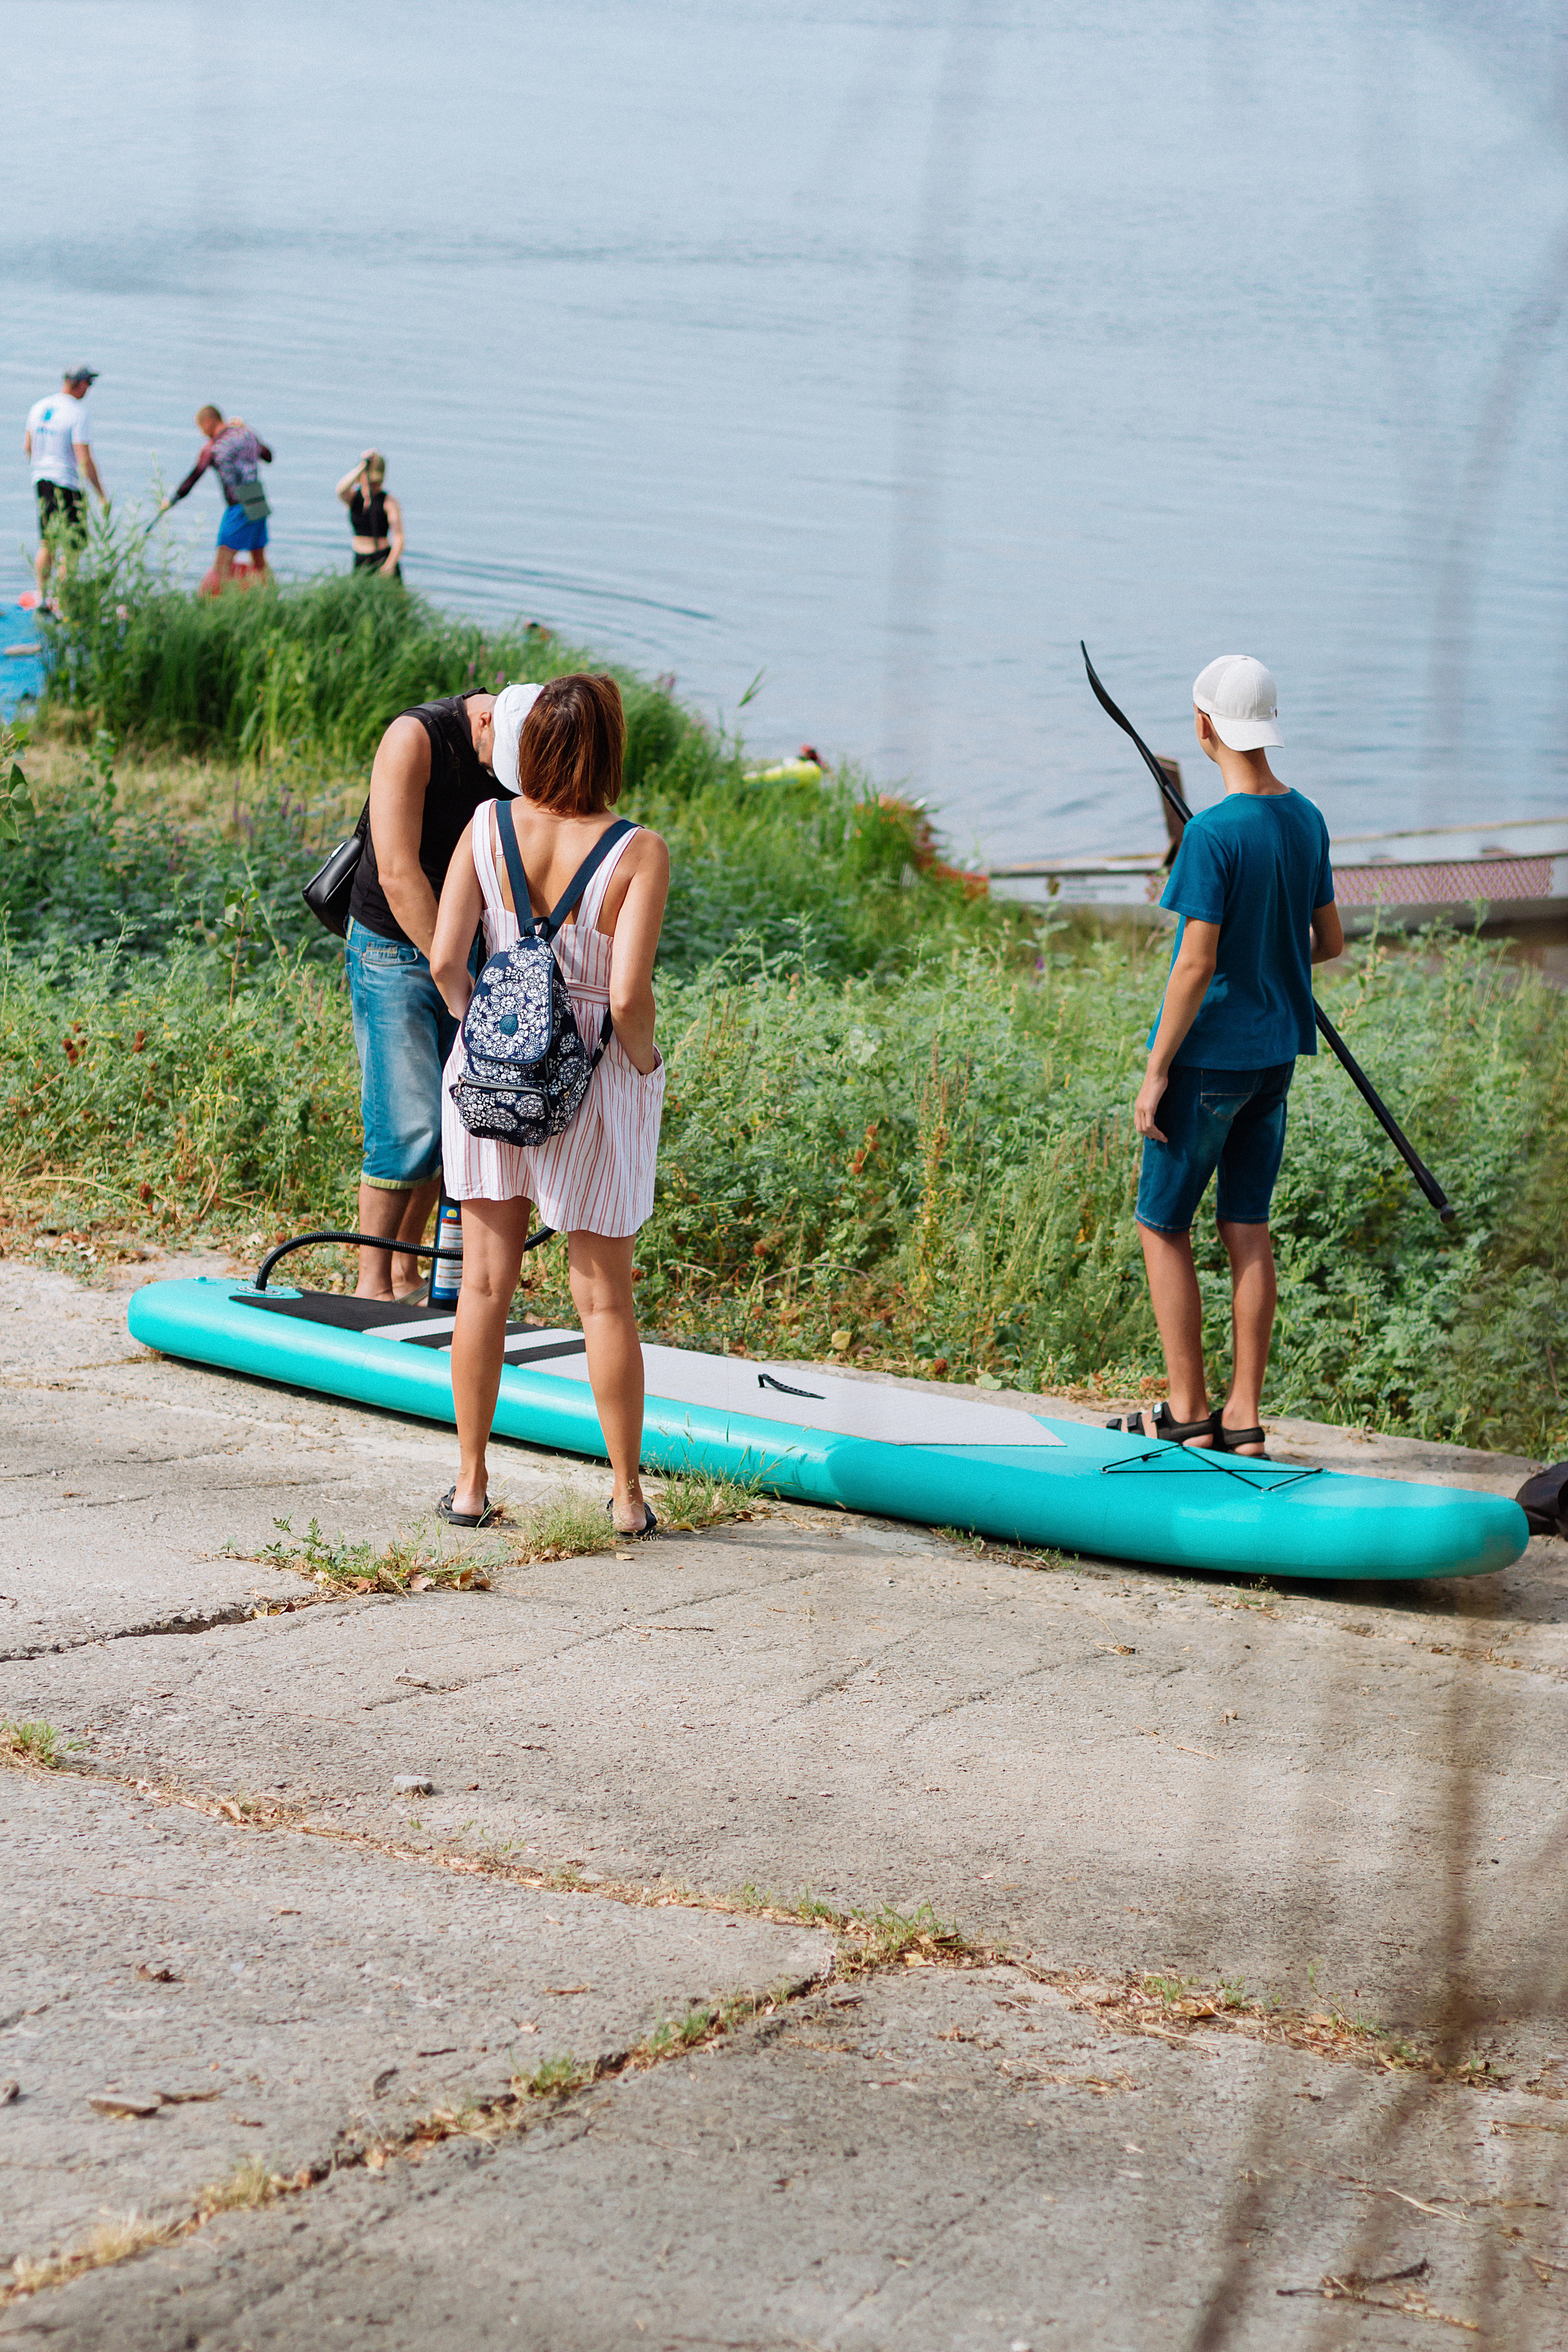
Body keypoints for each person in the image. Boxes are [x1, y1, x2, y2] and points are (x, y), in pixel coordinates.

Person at [429, 674, 670, 1536]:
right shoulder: (638, 851)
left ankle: (468, 1485)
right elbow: (631, 995)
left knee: (484, 1286)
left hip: (490, 1076)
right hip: (596, 1084)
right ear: (608, 749)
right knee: (603, 1297)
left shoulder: (484, 826)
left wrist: (485, 1034)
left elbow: (445, 962)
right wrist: (639, 1067)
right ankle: (627, 1497)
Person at [1126, 655, 1343, 1459]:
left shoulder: (1212, 834)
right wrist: (1270, 962)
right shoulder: (1308, 819)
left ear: (1204, 726)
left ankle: (1187, 1409)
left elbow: (1193, 964)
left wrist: (1156, 1072)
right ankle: (1244, 1418)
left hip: (1209, 1060)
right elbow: (1325, 942)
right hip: (1275, 1058)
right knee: (1247, 1225)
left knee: (1162, 1224)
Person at [346, 681, 540, 1302]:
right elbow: (398, 872)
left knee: (451, 1124)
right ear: (482, 719)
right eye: (496, 766)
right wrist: (447, 963)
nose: (498, 779)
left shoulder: (517, 739)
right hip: (393, 947)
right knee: (407, 1126)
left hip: (466, 954)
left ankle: (408, 1269)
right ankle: (371, 1284)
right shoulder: (415, 738)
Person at [161, 407, 273, 592]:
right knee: (259, 561)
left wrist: (172, 500)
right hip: (257, 498)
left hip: (239, 506)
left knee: (223, 563)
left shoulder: (213, 447)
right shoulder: (246, 435)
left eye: (201, 428)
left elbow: (194, 476)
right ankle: (272, 596)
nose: (202, 433)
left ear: (208, 422)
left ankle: (220, 606)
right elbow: (268, 456)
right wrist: (249, 430)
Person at [24, 367, 107, 599]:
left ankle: (42, 596)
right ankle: (62, 599)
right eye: (88, 384)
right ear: (79, 384)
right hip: (67, 483)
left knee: (47, 541)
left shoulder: (39, 407)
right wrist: (101, 494)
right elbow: (84, 460)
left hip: (41, 479)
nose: (89, 390)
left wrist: (42, 467)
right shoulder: (77, 413)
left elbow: (27, 447)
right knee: (74, 545)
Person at [335, 450, 404, 579]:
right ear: (362, 478)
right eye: (372, 481)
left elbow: (399, 537)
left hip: (382, 558)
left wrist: (390, 565)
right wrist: (362, 466)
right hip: (360, 559)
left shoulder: (388, 501)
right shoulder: (353, 498)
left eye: (378, 481)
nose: (375, 485)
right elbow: (340, 489)